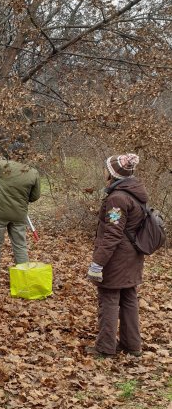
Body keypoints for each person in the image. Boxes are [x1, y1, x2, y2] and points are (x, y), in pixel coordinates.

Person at [86, 153, 147, 358]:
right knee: (129, 298)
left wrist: (97, 263)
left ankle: (105, 348)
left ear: (113, 173)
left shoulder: (117, 199)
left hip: (117, 258)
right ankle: (132, 345)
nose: (104, 170)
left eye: (106, 168)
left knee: (109, 299)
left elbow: (112, 234)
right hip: (132, 256)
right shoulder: (134, 192)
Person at [0, 141, 41, 288]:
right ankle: (23, 283)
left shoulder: (4, 166)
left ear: (12, 153)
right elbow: (34, 197)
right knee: (20, 246)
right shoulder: (33, 173)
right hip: (19, 215)